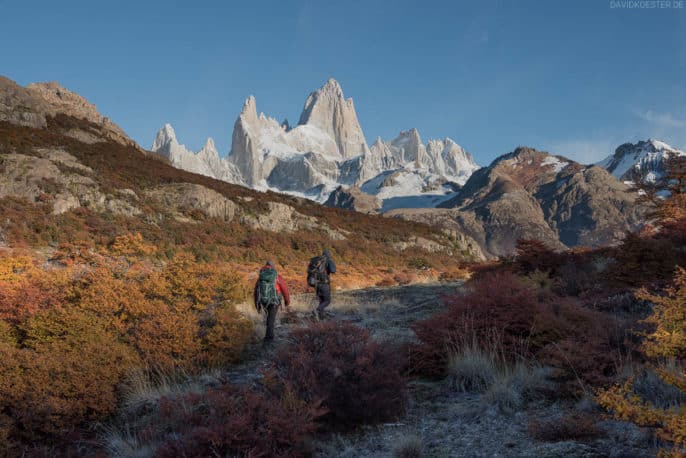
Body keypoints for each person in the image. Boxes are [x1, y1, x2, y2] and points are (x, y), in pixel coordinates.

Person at [253, 260, 290, 344]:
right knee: (271, 320)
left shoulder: (260, 277)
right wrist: (287, 302)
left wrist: (257, 305)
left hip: (263, 301)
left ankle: (269, 335)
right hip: (274, 301)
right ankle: (269, 340)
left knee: (269, 318)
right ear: (273, 267)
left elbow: (256, 292)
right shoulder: (277, 276)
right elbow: (285, 290)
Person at [309, 249, 336, 320]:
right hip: (324, 284)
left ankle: (321, 318)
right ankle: (317, 311)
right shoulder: (328, 260)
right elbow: (333, 270)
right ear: (329, 254)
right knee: (327, 301)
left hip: (316, 284)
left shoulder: (317, 261)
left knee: (321, 301)